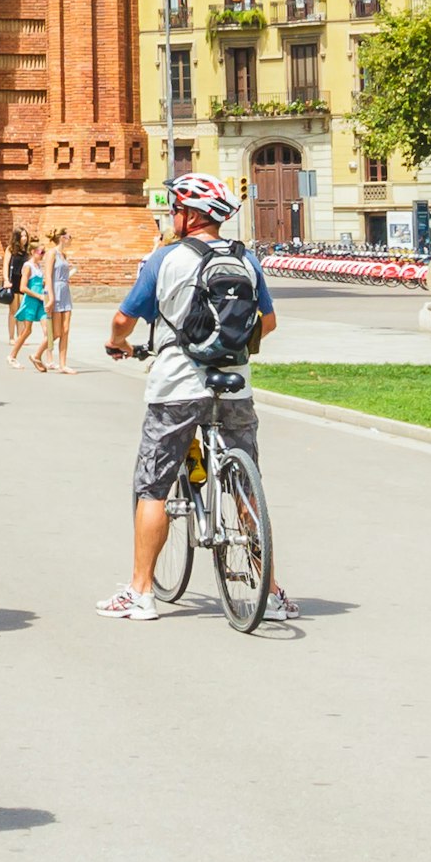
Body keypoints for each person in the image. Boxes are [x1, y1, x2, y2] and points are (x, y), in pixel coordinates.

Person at [103, 172, 289, 623]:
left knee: (153, 485)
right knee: (247, 486)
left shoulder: (164, 259)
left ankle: (141, 592)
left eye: (175, 210)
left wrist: (118, 344)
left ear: (187, 216)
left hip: (177, 388)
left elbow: (123, 320)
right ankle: (273, 593)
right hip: (235, 386)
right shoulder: (246, 260)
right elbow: (269, 321)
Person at [38, 228, 77, 372]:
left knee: (66, 329)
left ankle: (63, 364)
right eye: (69, 236)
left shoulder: (63, 254)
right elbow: (47, 276)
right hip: (54, 290)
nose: (71, 238)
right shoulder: (51, 253)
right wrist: (51, 297)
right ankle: (37, 354)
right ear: (62, 238)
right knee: (56, 332)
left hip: (65, 290)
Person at [7, 232, 48, 364]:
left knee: (48, 331)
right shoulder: (28, 266)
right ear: (32, 252)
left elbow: (38, 284)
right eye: (41, 252)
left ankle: (42, 358)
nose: (42, 255)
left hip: (41, 302)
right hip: (31, 301)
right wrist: (38, 295)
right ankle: (12, 355)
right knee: (27, 331)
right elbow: (23, 288)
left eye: (43, 252)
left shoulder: (39, 267)